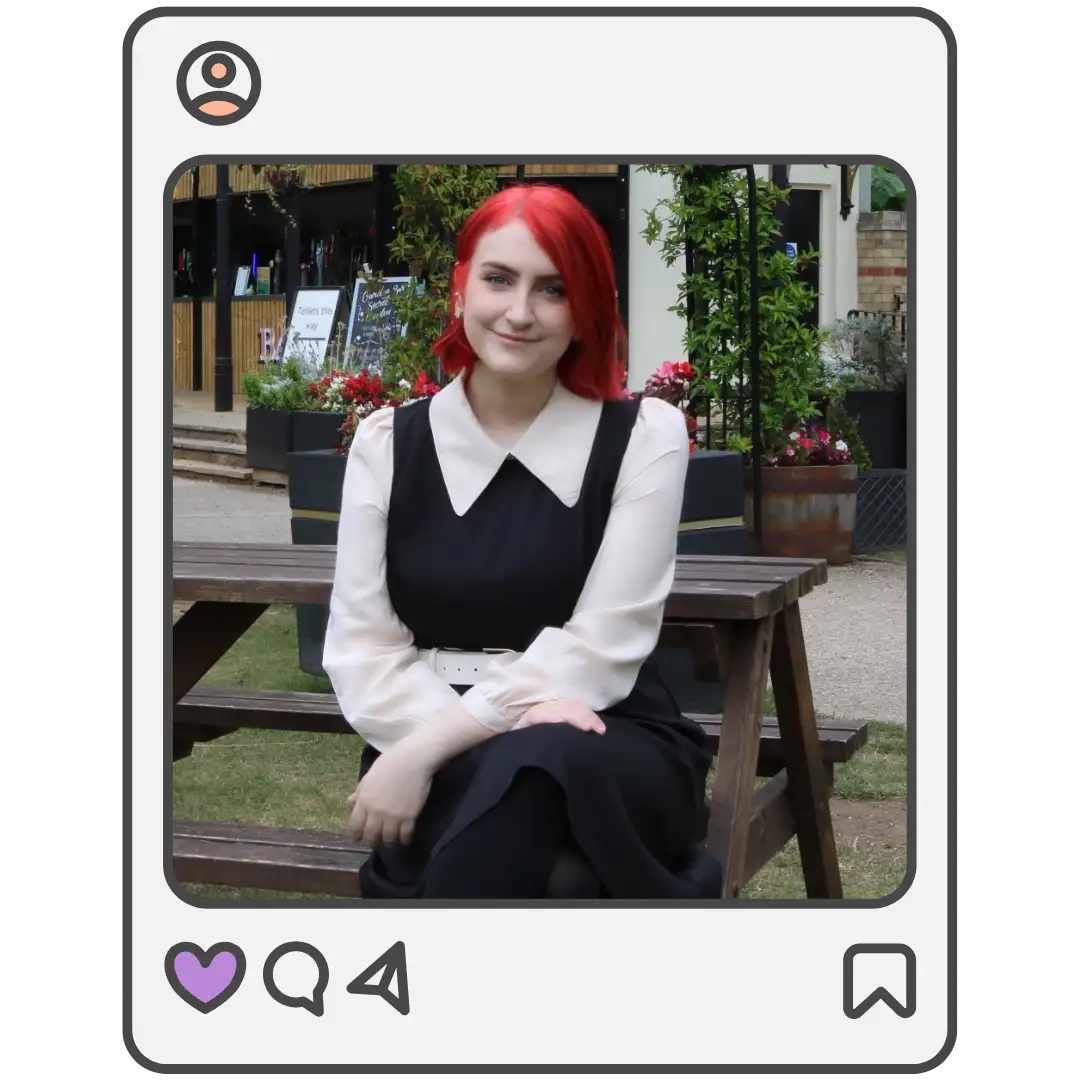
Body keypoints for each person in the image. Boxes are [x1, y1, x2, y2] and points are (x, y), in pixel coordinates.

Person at [321, 182, 724, 900]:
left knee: (542, 760)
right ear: (459, 290)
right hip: (418, 728)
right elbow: (362, 646)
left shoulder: (643, 439)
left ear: (586, 312)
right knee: (561, 875)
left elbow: (603, 645)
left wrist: (432, 749)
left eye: (553, 290)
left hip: (606, 740)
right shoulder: (387, 444)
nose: (519, 312)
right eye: (498, 279)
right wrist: (439, 740)